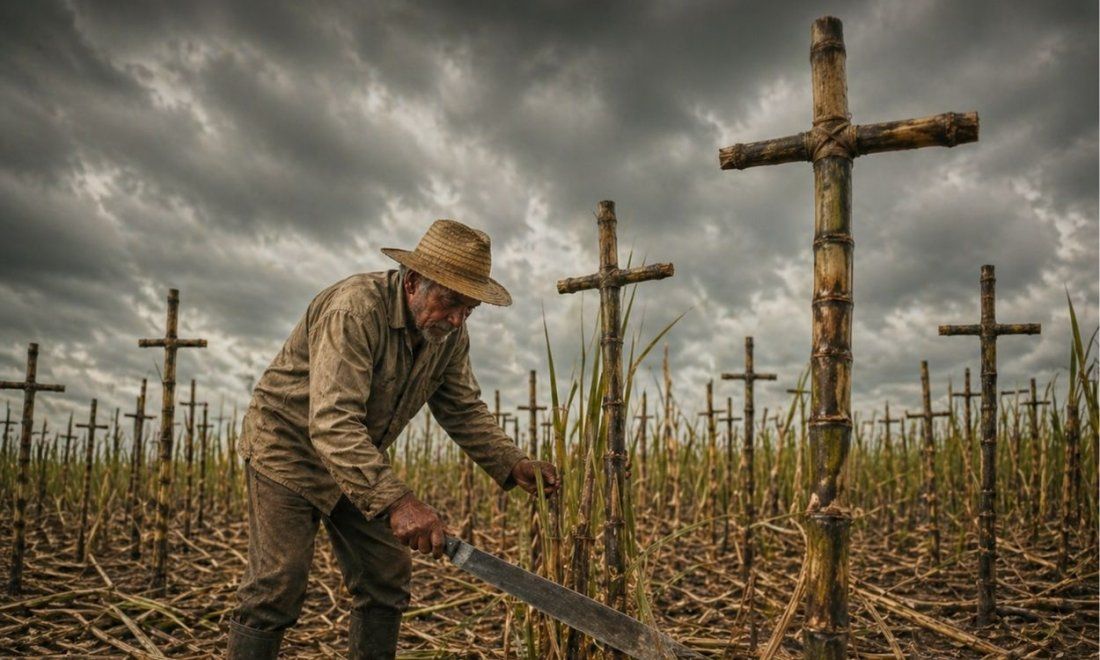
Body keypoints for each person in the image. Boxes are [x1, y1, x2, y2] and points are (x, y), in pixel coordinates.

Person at [227, 219, 559, 659]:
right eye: (450, 302)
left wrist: (512, 462)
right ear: (413, 281)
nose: (458, 318)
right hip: (287, 450)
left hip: (354, 458)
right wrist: (399, 503)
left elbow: (460, 407)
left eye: (470, 309)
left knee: (385, 573)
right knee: (277, 585)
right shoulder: (355, 311)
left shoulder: (448, 335)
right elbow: (331, 422)